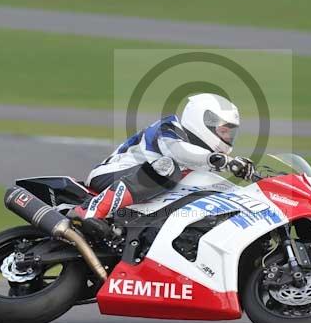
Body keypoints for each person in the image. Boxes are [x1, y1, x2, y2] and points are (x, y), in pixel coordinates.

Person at [70, 93, 255, 239]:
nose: (228, 138)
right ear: (203, 121)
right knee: (167, 167)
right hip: (110, 175)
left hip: (141, 195)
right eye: (223, 131)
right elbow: (180, 151)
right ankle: (89, 211)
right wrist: (222, 161)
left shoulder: (204, 159)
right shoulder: (169, 127)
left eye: (231, 133)